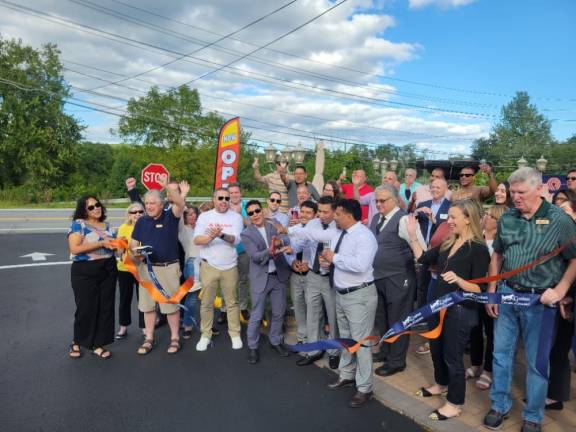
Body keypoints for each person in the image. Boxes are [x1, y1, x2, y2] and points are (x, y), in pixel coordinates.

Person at [483, 168, 576, 432]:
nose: (515, 197)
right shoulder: (508, 218)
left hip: (540, 303)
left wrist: (560, 290)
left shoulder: (560, 219)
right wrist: (493, 291)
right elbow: (497, 257)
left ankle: (533, 416)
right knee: (501, 354)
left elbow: (574, 259)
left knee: (537, 363)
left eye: (521, 192)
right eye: (512, 192)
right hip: (507, 294)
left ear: (539, 190)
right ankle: (499, 405)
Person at [406, 199, 491, 421]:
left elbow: (480, 288)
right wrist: (412, 234)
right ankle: (440, 383)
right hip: (436, 304)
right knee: (436, 348)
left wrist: (460, 280)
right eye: (449, 216)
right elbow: (423, 258)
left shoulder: (479, 249)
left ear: (468, 219)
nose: (449, 221)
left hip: (460, 310)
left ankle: (454, 402)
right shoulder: (447, 242)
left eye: (453, 217)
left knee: (453, 357)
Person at [322, 199, 378, 408]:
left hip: (359, 296)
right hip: (342, 294)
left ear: (347, 215)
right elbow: (340, 261)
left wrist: (334, 258)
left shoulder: (365, 236)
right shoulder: (341, 234)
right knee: (346, 339)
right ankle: (347, 375)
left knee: (361, 343)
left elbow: (361, 265)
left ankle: (365, 388)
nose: (333, 217)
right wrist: (328, 261)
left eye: (337, 214)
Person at [370, 185, 425, 377]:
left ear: (394, 199)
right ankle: (386, 352)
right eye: (376, 201)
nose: (378, 204)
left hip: (399, 278)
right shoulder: (376, 218)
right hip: (379, 277)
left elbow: (420, 249)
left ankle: (396, 361)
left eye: (382, 200)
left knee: (398, 319)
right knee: (383, 317)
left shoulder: (404, 219)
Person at [131, 181, 188, 355]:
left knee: (171, 306)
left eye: (152, 203)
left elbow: (180, 203)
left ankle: (174, 338)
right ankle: (149, 338)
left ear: (161, 204)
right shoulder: (141, 222)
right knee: (147, 306)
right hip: (146, 269)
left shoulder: (171, 216)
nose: (148, 206)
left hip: (167, 268)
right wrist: (136, 255)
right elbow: (133, 245)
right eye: (146, 203)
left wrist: (170, 187)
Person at [285, 196, 340, 369]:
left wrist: (288, 230)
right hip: (314, 275)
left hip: (332, 278)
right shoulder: (313, 224)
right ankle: (314, 350)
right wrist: (292, 247)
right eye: (320, 211)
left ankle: (333, 352)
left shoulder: (338, 227)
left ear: (334, 211)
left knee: (333, 317)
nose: (322, 215)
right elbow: (301, 244)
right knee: (312, 315)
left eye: (326, 212)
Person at [68, 195, 119, 359]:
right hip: (85, 271)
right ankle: (77, 341)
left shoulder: (109, 226)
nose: (96, 208)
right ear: (84, 210)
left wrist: (121, 245)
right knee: (86, 308)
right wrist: (101, 243)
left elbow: (115, 250)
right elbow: (74, 249)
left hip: (108, 269)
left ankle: (98, 344)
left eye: (97, 205)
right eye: (90, 207)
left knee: (105, 307)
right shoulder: (79, 225)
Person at [241, 200, 292, 364]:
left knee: (278, 313)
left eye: (257, 211)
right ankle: (253, 346)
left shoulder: (273, 225)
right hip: (260, 278)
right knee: (256, 315)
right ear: (248, 216)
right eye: (250, 213)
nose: (255, 214)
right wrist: (270, 251)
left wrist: (280, 242)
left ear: (262, 211)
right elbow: (255, 257)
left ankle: (275, 341)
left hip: (278, 276)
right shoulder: (246, 233)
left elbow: (286, 238)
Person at [194, 188, 244, 352]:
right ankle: (205, 334)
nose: (224, 201)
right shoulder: (204, 217)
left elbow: (236, 240)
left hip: (230, 266)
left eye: (226, 198)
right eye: (220, 198)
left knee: (232, 302)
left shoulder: (236, 217)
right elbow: (197, 239)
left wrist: (221, 235)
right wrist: (211, 237)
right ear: (214, 199)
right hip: (209, 266)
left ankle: (234, 333)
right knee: (206, 303)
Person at [466, 204, 507, 392]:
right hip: (475, 290)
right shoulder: (477, 237)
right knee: (474, 328)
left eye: (489, 215)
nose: (485, 217)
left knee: (491, 332)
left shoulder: (503, 242)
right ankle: (475, 364)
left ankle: (488, 370)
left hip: (492, 292)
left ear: (498, 222)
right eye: (485, 214)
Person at [545, 191, 576, 411]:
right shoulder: (561, 238)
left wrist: (569, 296)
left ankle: (555, 395)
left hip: (567, 301)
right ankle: (553, 393)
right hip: (559, 299)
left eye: (565, 212)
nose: (561, 217)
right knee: (556, 348)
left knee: (560, 347)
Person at [285, 200, 318, 345]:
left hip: (311, 275)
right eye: (302, 212)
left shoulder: (319, 232)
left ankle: (314, 340)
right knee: (298, 307)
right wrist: (292, 262)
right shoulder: (293, 229)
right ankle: (302, 338)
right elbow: (288, 250)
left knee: (313, 309)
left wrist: (309, 265)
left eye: (308, 213)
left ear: (315, 215)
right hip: (295, 274)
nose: (304, 215)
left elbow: (319, 253)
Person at [220, 183, 250, 325]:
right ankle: (225, 309)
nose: (234, 195)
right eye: (231, 193)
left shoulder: (247, 207)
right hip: (228, 250)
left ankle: (243, 307)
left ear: (240, 193)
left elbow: (252, 224)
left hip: (243, 250)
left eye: (236, 192)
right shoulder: (224, 207)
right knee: (227, 281)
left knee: (243, 280)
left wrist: (239, 216)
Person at [116, 202, 145, 340]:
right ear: (129, 215)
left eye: (140, 211)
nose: (137, 214)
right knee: (125, 298)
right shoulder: (123, 228)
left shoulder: (148, 226)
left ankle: (144, 327)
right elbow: (118, 251)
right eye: (134, 212)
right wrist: (121, 248)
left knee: (143, 299)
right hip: (125, 268)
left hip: (142, 268)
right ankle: (123, 326)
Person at [178, 206, 201, 339]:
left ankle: (206, 325)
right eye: (189, 214)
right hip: (192, 264)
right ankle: (187, 325)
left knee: (206, 298)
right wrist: (182, 198)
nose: (192, 216)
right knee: (192, 297)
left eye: (194, 213)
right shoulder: (182, 230)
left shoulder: (201, 228)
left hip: (206, 263)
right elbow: (179, 214)